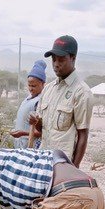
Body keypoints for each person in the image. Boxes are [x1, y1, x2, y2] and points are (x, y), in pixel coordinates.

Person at [28, 35, 93, 167]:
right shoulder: (48, 90)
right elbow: (42, 130)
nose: (56, 64)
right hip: (43, 160)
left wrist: (74, 169)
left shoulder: (81, 92)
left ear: (73, 58)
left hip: (63, 165)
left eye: (61, 60)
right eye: (54, 60)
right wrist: (36, 122)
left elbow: (83, 135)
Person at [10, 60, 46, 149]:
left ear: (42, 84)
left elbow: (42, 133)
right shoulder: (28, 98)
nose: (31, 88)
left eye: (34, 86)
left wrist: (22, 133)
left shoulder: (40, 102)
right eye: (29, 85)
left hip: (29, 146)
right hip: (19, 144)